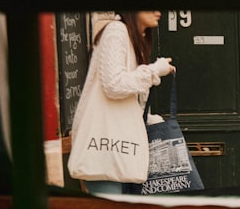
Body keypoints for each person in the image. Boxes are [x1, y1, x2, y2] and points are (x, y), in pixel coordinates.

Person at [70, 11, 174, 195]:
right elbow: (113, 85)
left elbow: (125, 95)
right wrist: (155, 70)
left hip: (118, 148)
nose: (159, 12)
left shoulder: (133, 38)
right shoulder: (117, 31)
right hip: (106, 149)